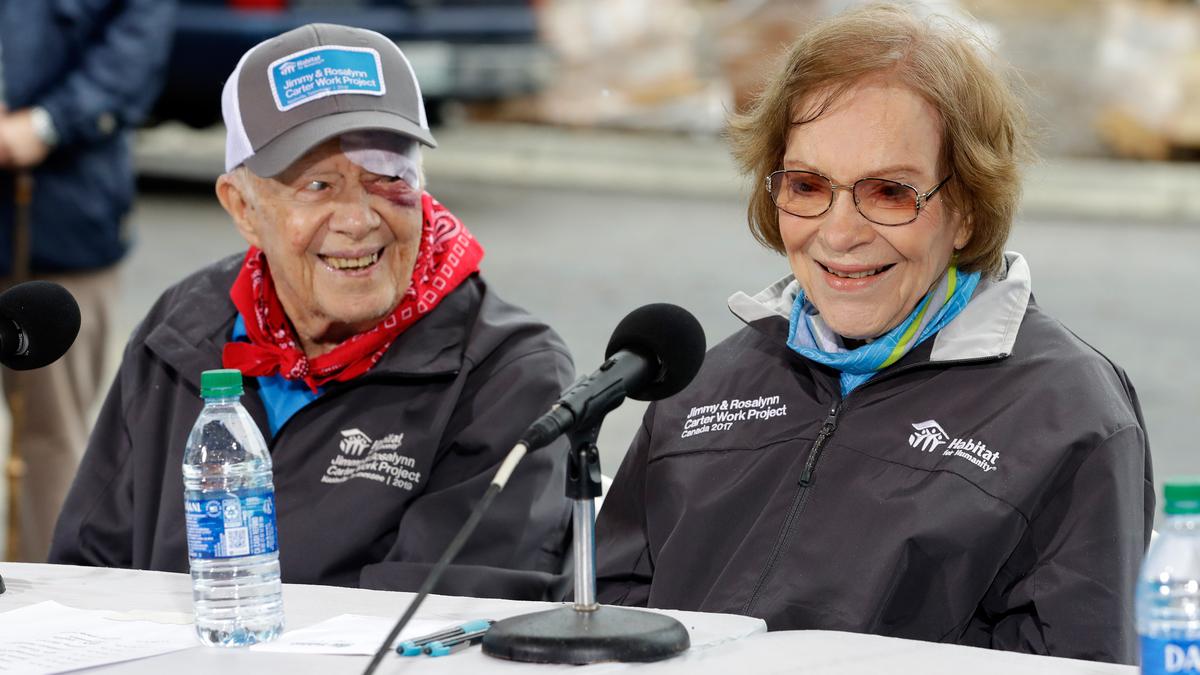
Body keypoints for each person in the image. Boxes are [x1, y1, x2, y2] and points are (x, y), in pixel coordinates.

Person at [594, 3, 1152, 664]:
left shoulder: (1071, 418)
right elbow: (608, 628)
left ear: (969, 209)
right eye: (807, 185)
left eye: (888, 191)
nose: (838, 232)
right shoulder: (697, 389)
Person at [50, 24, 574, 600]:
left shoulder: (508, 374)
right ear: (243, 207)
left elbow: (439, 626)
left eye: (388, 177)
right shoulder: (184, 329)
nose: (358, 219)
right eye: (319, 184)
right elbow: (89, 571)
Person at [0, 0, 175, 562]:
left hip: (58, 222)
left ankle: (40, 607)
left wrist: (45, 123)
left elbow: (131, 56)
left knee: (50, 438)